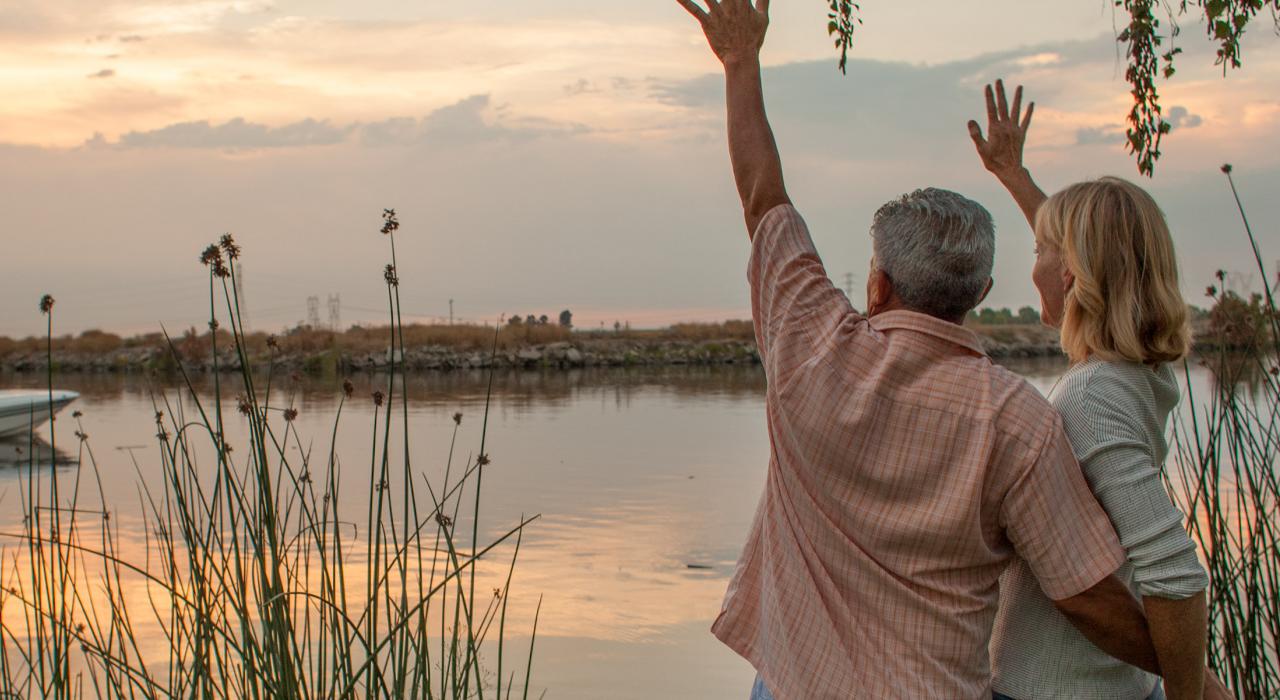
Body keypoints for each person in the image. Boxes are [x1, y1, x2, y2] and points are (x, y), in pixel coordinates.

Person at [674, 1, 1197, 697]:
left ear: (878, 284)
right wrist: (1191, 676)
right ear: (981, 292)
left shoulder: (810, 344)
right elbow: (1083, 594)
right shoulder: (1018, 421)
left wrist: (741, 64)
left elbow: (762, 197)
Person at [969, 81, 1228, 700]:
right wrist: (1015, 175)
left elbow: (1176, 573)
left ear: (1073, 273)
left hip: (1057, 690)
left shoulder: (1092, 397)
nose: (1031, 265)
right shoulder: (1139, 371)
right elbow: (1093, 253)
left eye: (1041, 251)